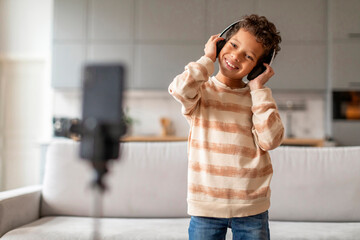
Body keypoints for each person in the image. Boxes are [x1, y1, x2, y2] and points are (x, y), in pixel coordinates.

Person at [168, 14, 284, 240]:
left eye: (248, 56)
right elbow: (179, 90)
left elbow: (271, 140)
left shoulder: (258, 98)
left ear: (258, 68)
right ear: (220, 42)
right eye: (233, 45)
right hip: (206, 205)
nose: (236, 56)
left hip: (251, 206)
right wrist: (207, 58)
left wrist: (258, 88)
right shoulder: (201, 91)